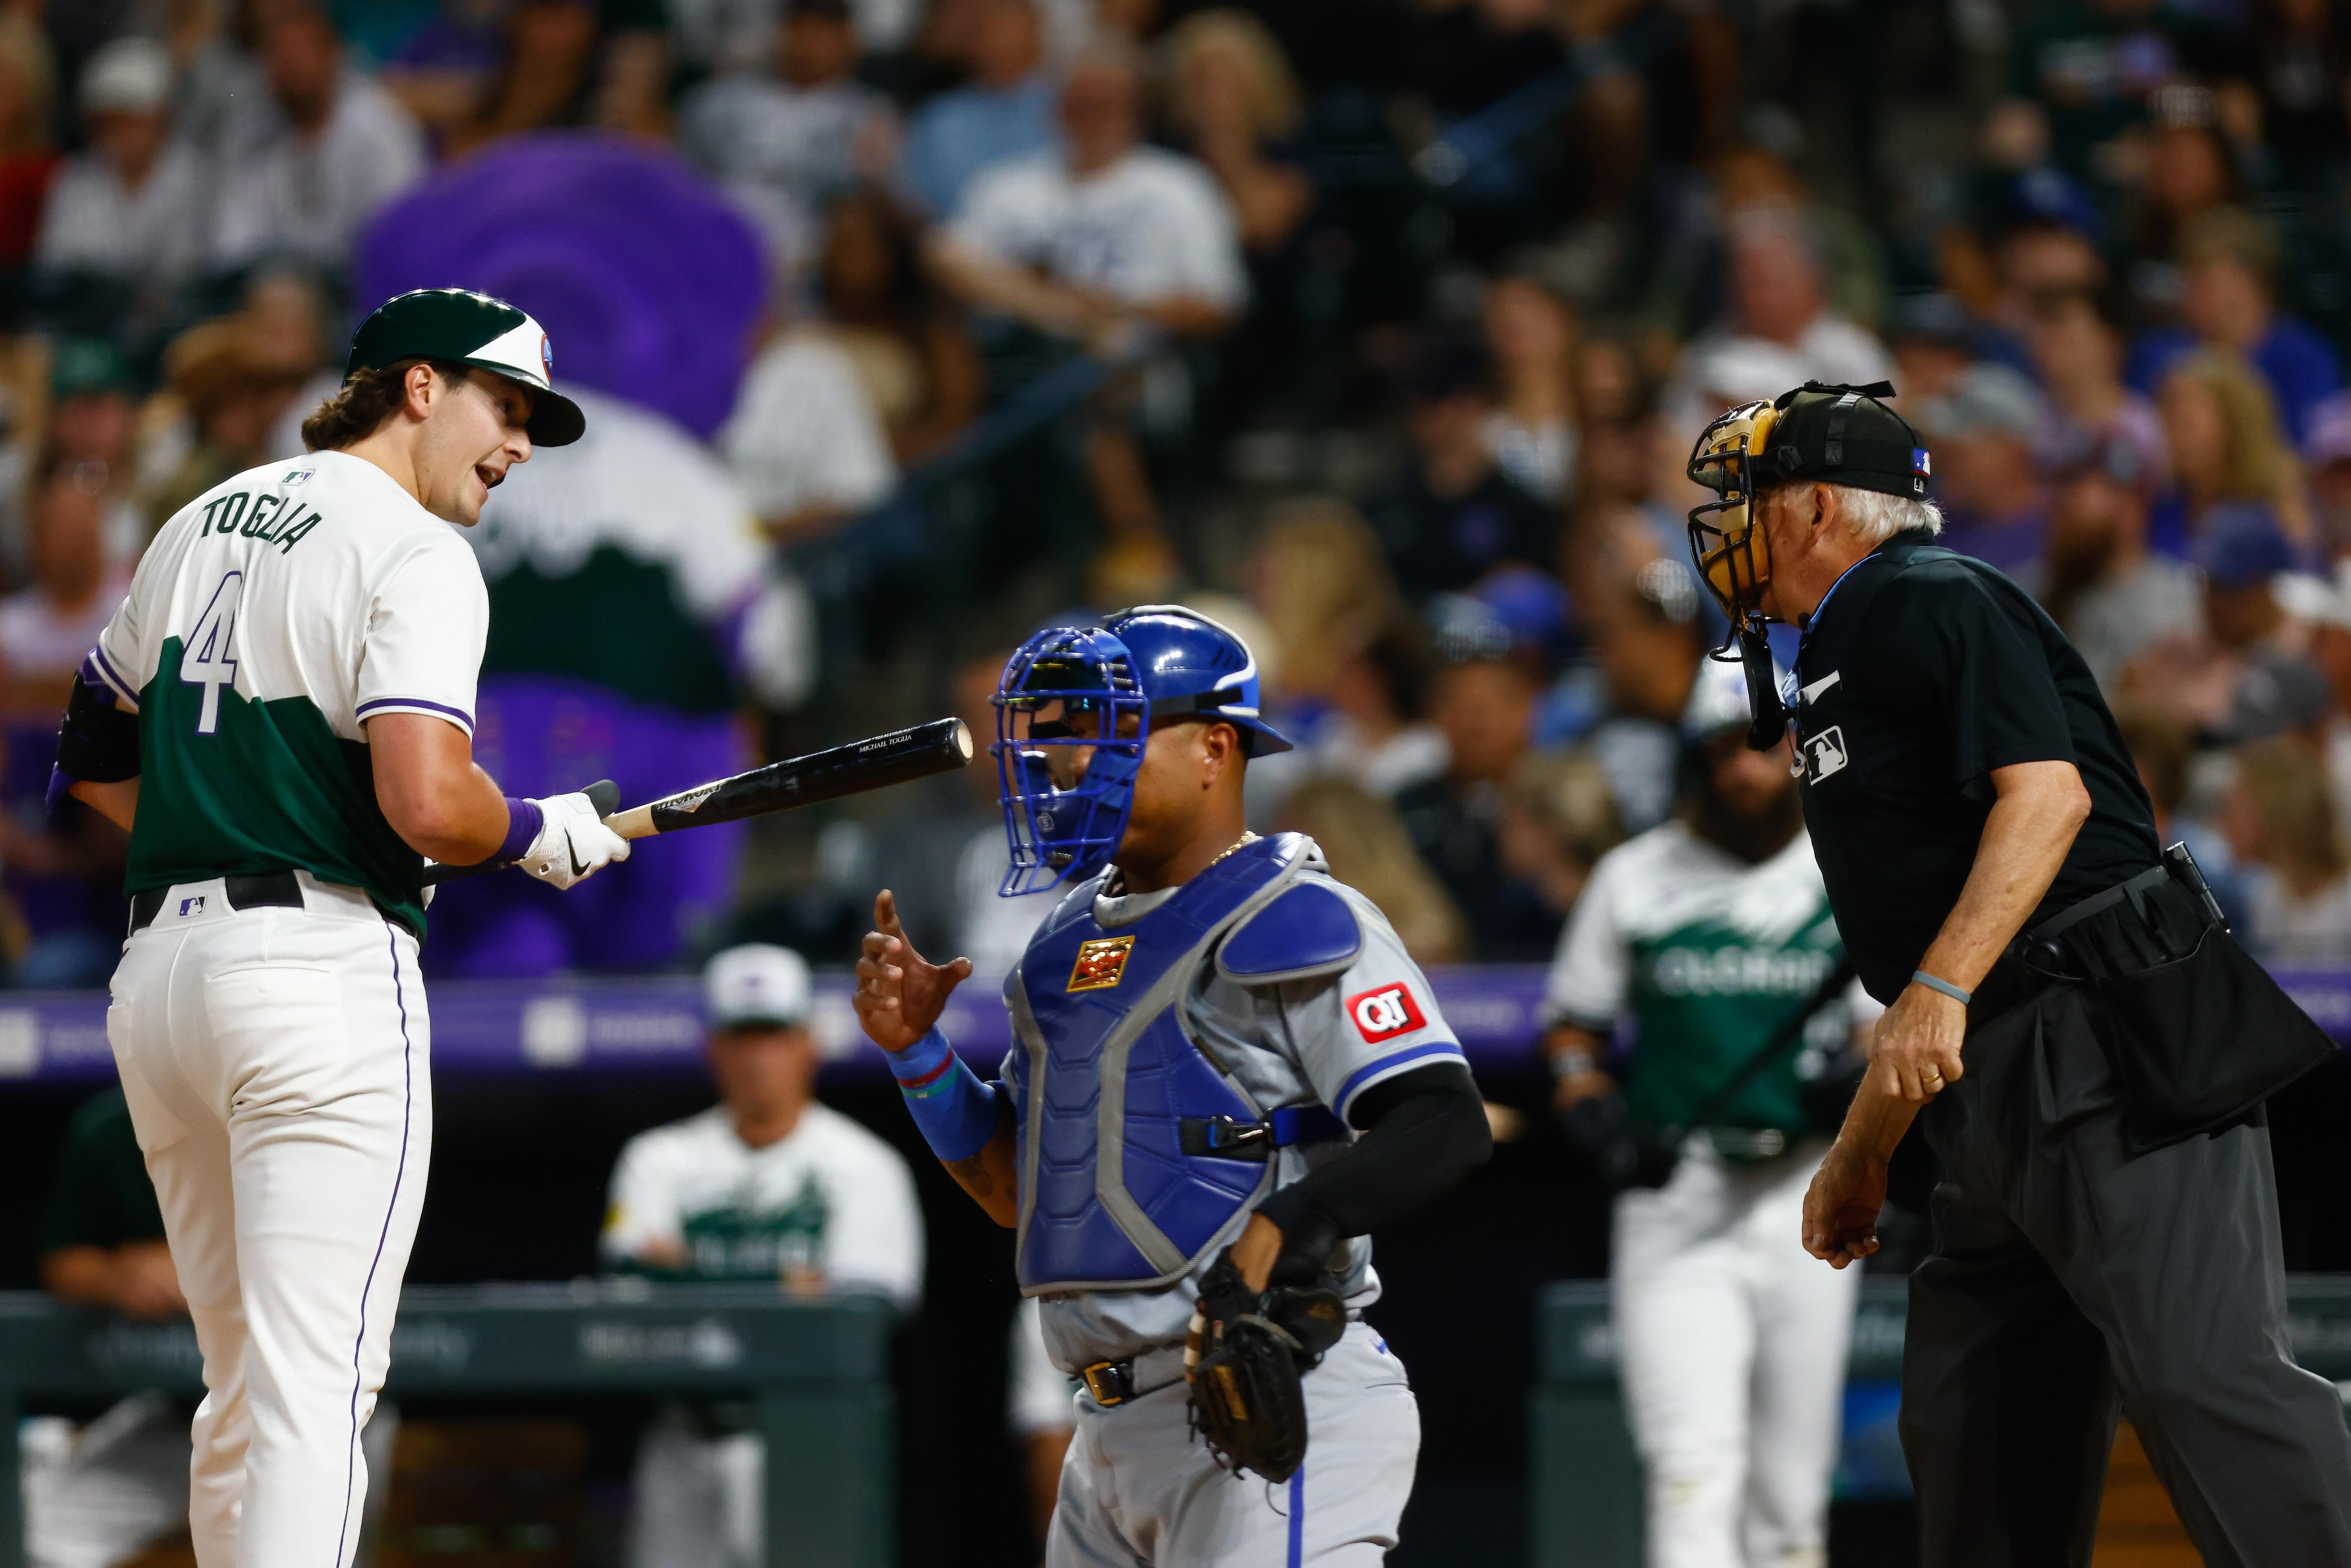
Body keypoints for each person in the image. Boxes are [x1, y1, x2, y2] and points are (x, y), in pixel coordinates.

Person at [1683, 381, 2351, 1563]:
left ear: (1819, 507)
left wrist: (1935, 996)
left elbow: (2048, 798)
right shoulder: (1844, 636)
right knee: (1978, 1422)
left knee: (2208, 1383)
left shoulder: (1926, 593)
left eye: (1748, 497)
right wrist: (1862, 1153)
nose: (1726, 526)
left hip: (2103, 1027)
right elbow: (1923, 984)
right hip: (1998, 1080)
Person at [54, 287, 631, 1568]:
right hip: (313, 970)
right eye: (507, 404)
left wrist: (240, 818)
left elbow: (90, 753)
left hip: (162, 977)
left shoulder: (201, 516)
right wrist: (533, 828)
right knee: (315, 1389)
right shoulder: (418, 547)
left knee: (242, 1388)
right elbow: (427, 796)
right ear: (418, 385)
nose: (522, 440)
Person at [852, 604, 1492, 1564]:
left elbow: (1443, 1119)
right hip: (1104, 1433)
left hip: (1269, 1398)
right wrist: (919, 1053)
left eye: (1108, 732)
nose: (1072, 764)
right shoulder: (1064, 940)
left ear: (1214, 748)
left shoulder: (1294, 912)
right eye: (1065, 735)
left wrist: (1295, 1217)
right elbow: (1014, 1193)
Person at [1543, 658, 1863, 1568]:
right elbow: (1573, 1026)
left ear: (1799, 749)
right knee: (1689, 1469)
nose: (1743, 768)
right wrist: (1592, 1105)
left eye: (1762, 744)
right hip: (1677, 1194)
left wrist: (1851, 1078)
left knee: (1791, 1497)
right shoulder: (1633, 877)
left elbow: (1890, 1032)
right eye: (1721, 748)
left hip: (1808, 1192)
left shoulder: (1844, 870)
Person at [603, 943, 923, 1568]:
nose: (757, 1057)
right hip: (682, 1436)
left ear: (808, 1042)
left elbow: (866, 1311)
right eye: (741, 1036)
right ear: (712, 1048)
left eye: (773, 1034)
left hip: (803, 1443)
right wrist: (784, 1286)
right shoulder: (658, 1156)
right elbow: (626, 1284)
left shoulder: (864, 1163)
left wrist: (688, 1270)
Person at [28, 1087, 194, 1568]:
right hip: (181, 1414)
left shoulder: (304, 1115)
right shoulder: (115, 1126)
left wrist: (209, 1265)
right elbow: (63, 1260)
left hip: (321, 1411)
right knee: (42, 1535)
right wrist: (119, 1271)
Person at [211, 6, 428, 273]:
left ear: (332, 54)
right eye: (278, 54)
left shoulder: (380, 127)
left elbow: (400, 234)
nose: (291, 64)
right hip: (278, 287)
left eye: (301, 49)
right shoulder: (250, 132)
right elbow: (232, 249)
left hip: (360, 289)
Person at [677, 0, 897, 241]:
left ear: (850, 40)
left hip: (812, 259)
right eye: (797, 26)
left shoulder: (871, 116)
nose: (808, 43)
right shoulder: (718, 102)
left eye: (823, 30)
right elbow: (682, 184)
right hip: (719, 242)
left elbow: (886, 214)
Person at [1363, 332, 1558, 602]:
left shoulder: (1525, 513)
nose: (1424, 414)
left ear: (1477, 402)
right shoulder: (1383, 509)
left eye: (1437, 398)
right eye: (1416, 399)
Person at [33, 37, 213, 314]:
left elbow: (192, 270)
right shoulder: (75, 178)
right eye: (108, 122)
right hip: (91, 322)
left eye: (131, 119)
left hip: (176, 320)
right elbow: (56, 268)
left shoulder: (198, 174)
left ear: (162, 118)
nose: (119, 135)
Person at [895, 0, 1056, 220]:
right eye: (983, 25)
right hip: (962, 246)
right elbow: (919, 212)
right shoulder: (938, 119)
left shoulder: (1073, 104)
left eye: (1005, 19)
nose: (995, 35)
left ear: (1036, 26)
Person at [2221, 733, 2351, 963]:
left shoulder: (2344, 901)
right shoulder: (2267, 898)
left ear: (2275, 814)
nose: (2224, 823)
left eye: (2235, 810)